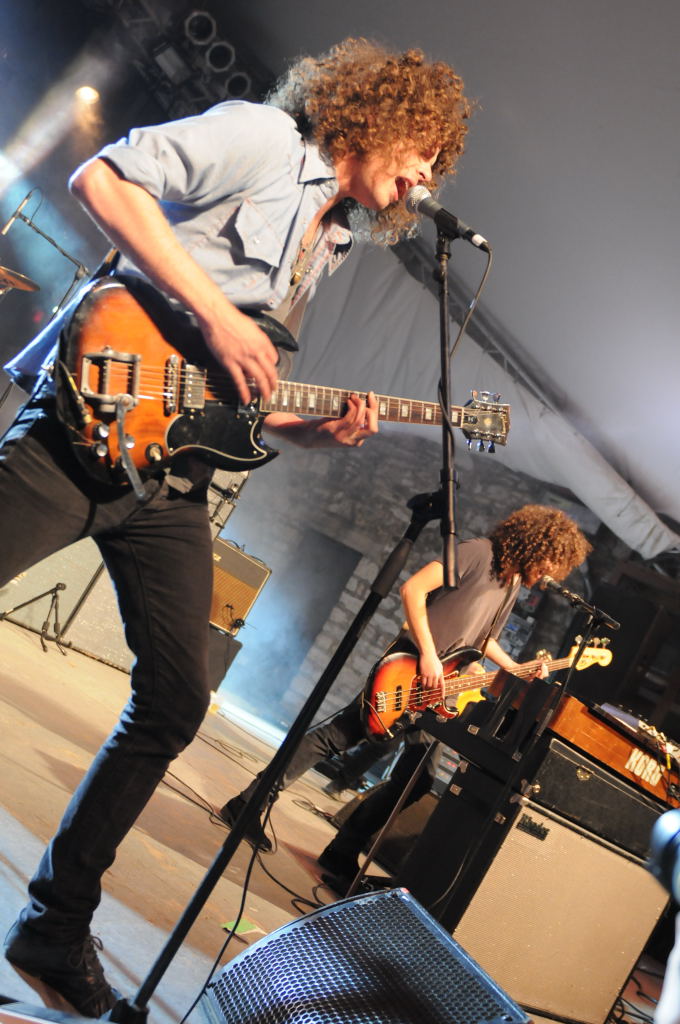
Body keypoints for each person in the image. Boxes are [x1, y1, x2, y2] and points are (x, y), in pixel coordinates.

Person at [0, 38, 471, 1018]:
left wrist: (309, 429)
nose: (425, 180)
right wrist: (216, 314)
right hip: (84, 425)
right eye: (422, 153)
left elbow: (232, 397)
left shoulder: (330, 240)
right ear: (376, 116)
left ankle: (53, 922)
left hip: (170, 481)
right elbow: (102, 179)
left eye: (437, 168)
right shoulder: (261, 139)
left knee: (176, 699)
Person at [219, 505, 591, 892]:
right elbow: (413, 589)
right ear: (536, 544)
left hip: (437, 689)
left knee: (416, 779)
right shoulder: (477, 552)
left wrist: (515, 668)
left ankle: (342, 850)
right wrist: (428, 654)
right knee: (338, 737)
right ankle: (249, 804)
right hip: (410, 668)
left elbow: (484, 639)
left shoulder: (510, 583)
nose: (551, 572)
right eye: (552, 561)